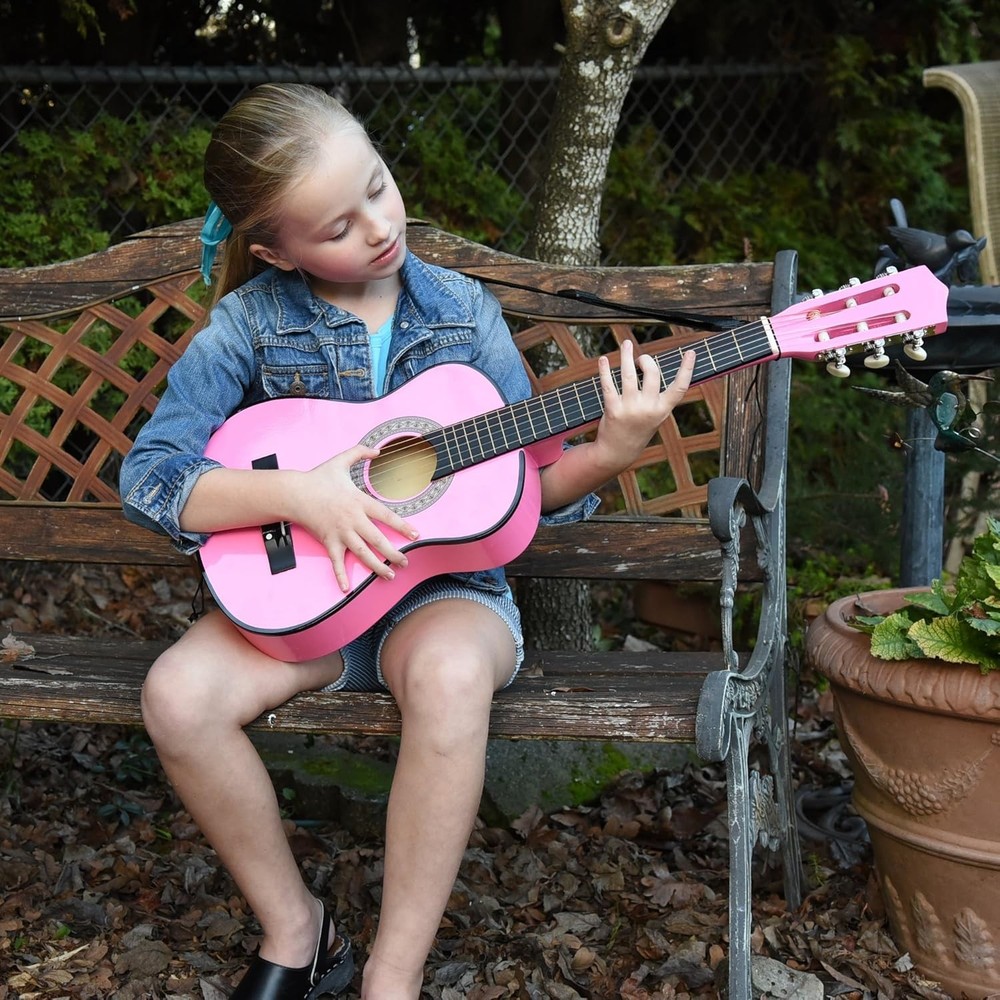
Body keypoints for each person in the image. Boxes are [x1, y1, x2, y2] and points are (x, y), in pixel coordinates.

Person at [119, 82, 695, 1000]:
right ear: (276, 251)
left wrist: (612, 451)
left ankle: (393, 975)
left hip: (444, 599)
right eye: (338, 227)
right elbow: (152, 479)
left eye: (378, 187)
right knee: (177, 696)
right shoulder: (250, 325)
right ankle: (298, 931)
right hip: (313, 607)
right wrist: (301, 494)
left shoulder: (463, 315)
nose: (380, 227)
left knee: (450, 674)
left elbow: (535, 488)